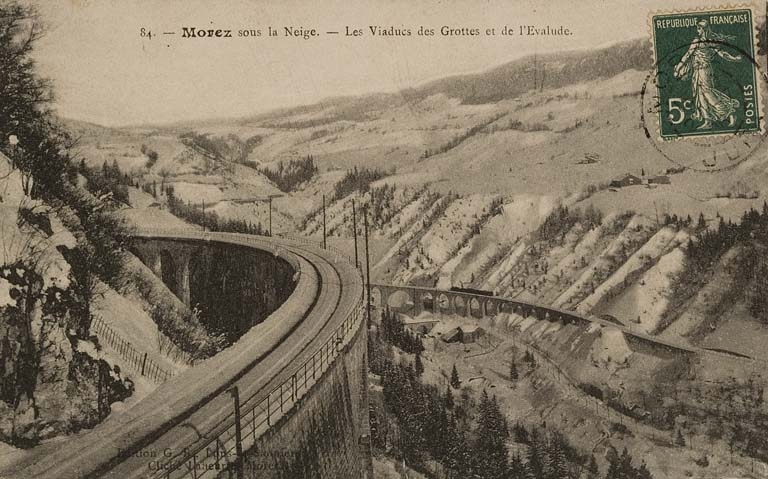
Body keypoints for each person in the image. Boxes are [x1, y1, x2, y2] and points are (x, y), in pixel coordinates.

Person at [673, 19, 743, 129]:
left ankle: (728, 111)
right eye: (697, 28)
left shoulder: (703, 42)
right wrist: (734, 58)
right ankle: (707, 121)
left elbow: (687, 55)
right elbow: (688, 55)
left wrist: (678, 68)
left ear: (704, 29)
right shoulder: (706, 42)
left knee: (707, 94)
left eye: (699, 28)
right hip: (698, 71)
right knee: (699, 95)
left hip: (704, 71)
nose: (698, 30)